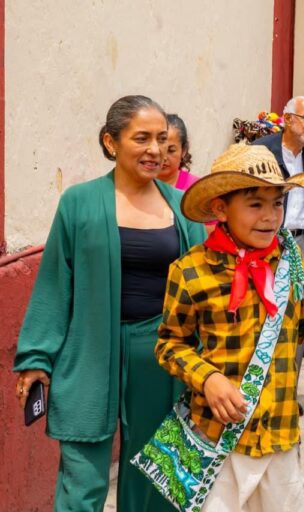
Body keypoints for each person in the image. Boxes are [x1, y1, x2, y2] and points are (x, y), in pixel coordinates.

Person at [12, 95, 206, 512]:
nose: (155, 150)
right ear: (111, 141)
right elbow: (54, 283)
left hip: (160, 353)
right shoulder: (79, 203)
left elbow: (204, 288)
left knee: (156, 470)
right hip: (88, 350)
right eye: (141, 138)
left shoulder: (184, 210)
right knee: (82, 476)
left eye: (161, 139)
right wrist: (36, 357)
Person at [155, 143, 304, 511]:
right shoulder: (190, 270)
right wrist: (208, 379)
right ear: (220, 207)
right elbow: (170, 344)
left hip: (279, 434)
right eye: (255, 204)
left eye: (278, 203)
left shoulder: (289, 260)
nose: (270, 216)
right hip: (215, 438)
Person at [253, 96, 304, 399]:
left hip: (301, 241)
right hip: (266, 240)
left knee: (296, 314)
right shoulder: (263, 149)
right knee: (263, 309)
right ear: (288, 119)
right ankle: (258, 389)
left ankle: (288, 395)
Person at [157, 113, 198, 191]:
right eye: (160, 149)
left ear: (184, 151)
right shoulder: (136, 181)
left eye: (171, 150)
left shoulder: (196, 188)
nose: (164, 157)